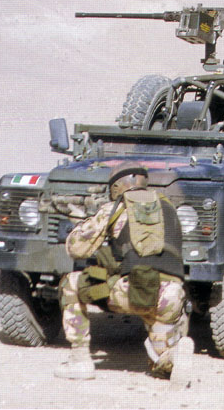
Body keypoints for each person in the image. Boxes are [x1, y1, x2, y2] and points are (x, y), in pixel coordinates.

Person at [54, 162, 193, 384]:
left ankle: (79, 360)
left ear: (117, 186)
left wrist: (81, 223)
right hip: (171, 296)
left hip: (135, 290)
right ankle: (173, 358)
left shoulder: (115, 207)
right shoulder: (169, 208)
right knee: (158, 360)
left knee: (71, 282)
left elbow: (76, 249)